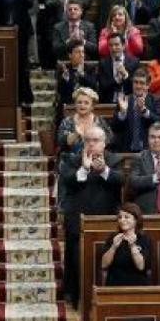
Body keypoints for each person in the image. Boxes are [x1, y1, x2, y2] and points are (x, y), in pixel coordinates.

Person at [60, 127, 124, 304]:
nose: (91, 144)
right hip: (77, 220)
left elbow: (121, 180)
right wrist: (84, 170)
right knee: (76, 261)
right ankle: (77, 299)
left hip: (106, 220)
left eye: (96, 140)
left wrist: (104, 170)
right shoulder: (73, 159)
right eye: (88, 140)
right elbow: (67, 180)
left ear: (104, 143)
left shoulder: (113, 159)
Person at [112, 70, 160, 153]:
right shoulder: (124, 100)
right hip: (126, 150)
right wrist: (122, 113)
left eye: (142, 83)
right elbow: (114, 128)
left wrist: (144, 111)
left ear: (148, 85)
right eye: (135, 82)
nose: (138, 86)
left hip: (149, 150)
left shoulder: (156, 100)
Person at [101, 204, 152, 287]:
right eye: (120, 217)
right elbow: (104, 264)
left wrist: (132, 245)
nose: (122, 220)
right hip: (114, 285)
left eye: (126, 217)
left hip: (137, 286)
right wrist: (113, 247)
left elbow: (141, 266)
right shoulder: (113, 238)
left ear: (136, 220)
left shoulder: (144, 239)